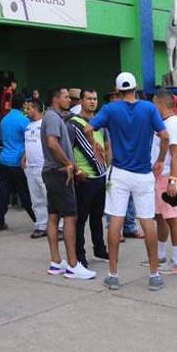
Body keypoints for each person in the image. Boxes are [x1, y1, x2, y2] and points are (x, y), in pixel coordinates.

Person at [88, 71, 170, 291]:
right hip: (144, 173)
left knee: (116, 221)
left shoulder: (111, 109)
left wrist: (94, 145)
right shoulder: (149, 108)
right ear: (136, 88)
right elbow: (165, 136)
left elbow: (88, 128)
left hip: (120, 172)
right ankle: (154, 274)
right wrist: (161, 160)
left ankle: (113, 275)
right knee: (147, 222)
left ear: (117, 90)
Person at [41, 86, 95, 280]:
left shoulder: (53, 117)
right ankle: (73, 264)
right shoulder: (53, 118)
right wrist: (69, 164)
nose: (69, 100)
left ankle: (56, 262)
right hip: (59, 172)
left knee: (54, 215)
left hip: (53, 172)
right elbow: (52, 143)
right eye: (65, 97)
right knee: (70, 217)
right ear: (56, 99)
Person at [69, 88, 109, 266]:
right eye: (89, 99)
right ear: (81, 101)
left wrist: (109, 164)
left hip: (101, 176)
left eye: (95, 98)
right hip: (85, 179)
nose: (92, 101)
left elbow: (108, 144)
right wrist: (77, 170)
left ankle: (100, 250)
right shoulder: (73, 124)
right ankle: (79, 255)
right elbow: (66, 151)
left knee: (97, 217)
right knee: (81, 219)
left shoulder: (100, 122)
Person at [150, 89, 177, 274]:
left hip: (167, 178)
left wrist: (172, 180)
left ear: (161, 104)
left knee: (172, 219)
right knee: (160, 217)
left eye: (154, 104)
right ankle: (161, 256)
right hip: (159, 177)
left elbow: (176, 154)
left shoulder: (172, 124)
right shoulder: (164, 123)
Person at [0, 92, 35, 231]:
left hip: (4, 160)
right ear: (23, 105)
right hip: (17, 162)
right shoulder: (24, 121)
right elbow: (29, 140)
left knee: (4, 192)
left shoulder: (5, 119)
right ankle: (39, 221)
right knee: (25, 193)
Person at [23, 97, 49, 238]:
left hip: (43, 166)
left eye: (29, 108)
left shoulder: (45, 124)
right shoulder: (28, 126)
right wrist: (24, 158)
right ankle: (41, 225)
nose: (27, 110)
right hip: (31, 167)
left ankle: (58, 226)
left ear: (36, 108)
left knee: (48, 197)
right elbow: (28, 145)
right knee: (36, 199)